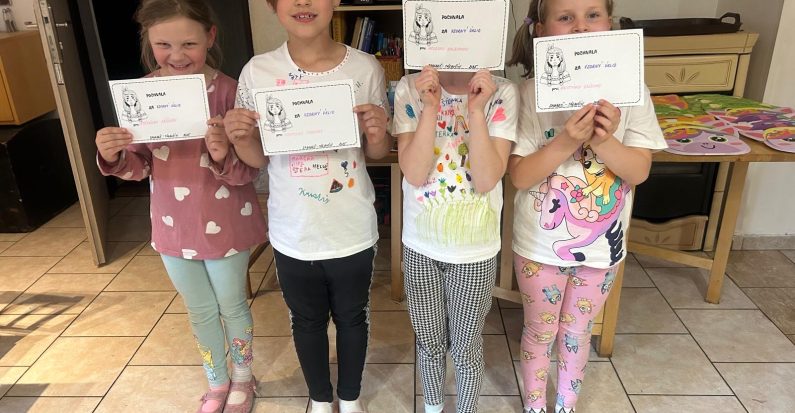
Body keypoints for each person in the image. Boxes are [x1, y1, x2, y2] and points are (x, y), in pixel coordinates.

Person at [94, 1, 266, 412]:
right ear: (148, 42)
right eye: (164, 45)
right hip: (172, 225)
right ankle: (216, 381)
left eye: (189, 43)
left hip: (227, 221)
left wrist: (222, 154)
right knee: (200, 309)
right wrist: (113, 155)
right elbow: (140, 166)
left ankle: (244, 377)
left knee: (232, 304)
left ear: (210, 37)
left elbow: (251, 171)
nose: (176, 55)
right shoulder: (142, 94)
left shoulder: (230, 92)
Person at [221, 0, 392, 411]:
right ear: (272, 5)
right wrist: (241, 138)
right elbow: (258, 160)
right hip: (293, 229)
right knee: (306, 321)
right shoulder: (258, 71)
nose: (302, 2)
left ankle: (349, 398)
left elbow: (377, 151)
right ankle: (319, 398)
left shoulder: (365, 67)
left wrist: (377, 133)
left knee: (353, 317)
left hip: (351, 226)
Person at [506, 0, 666, 412]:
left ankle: (566, 404)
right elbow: (520, 176)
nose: (580, 27)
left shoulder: (633, 94)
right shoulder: (528, 94)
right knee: (539, 331)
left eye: (592, 15)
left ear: (609, 23)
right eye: (566, 17)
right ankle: (535, 405)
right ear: (541, 31)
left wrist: (604, 140)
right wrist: (566, 140)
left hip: (600, 251)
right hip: (539, 247)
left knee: (577, 331)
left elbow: (638, 171)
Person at [392, 63, 517, 413]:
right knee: (429, 343)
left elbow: (486, 179)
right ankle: (432, 407)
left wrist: (476, 110)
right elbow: (414, 173)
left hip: (475, 252)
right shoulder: (410, 88)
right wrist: (430, 106)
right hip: (421, 247)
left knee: (466, 347)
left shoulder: (502, 92)